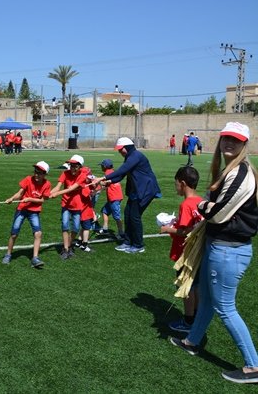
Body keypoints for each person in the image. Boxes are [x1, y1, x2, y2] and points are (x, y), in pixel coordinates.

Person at [169, 122, 258, 384]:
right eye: (226, 138)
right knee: (206, 298)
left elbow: (217, 214)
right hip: (220, 246)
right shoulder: (231, 169)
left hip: (229, 250)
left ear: (245, 144)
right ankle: (191, 341)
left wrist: (204, 205)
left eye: (236, 140)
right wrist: (207, 206)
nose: (229, 143)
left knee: (225, 308)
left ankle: (253, 365)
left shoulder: (241, 173)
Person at [92, 137, 161, 254]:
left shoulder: (135, 156)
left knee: (134, 216)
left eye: (121, 149)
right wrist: (109, 181)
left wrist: (103, 178)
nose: (120, 152)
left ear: (128, 147)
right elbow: (120, 176)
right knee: (128, 214)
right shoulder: (130, 157)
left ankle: (138, 245)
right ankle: (128, 242)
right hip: (137, 191)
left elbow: (122, 170)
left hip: (146, 191)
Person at [160, 166, 203, 333]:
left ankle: (188, 321)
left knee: (186, 288)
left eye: (176, 183)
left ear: (183, 183)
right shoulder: (199, 201)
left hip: (185, 253)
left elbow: (184, 231)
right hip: (196, 253)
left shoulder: (185, 204)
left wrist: (167, 229)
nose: (175, 186)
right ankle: (197, 317)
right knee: (196, 285)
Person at [2, 161, 51, 268]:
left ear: (45, 174)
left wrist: (29, 199)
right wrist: (11, 198)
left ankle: (35, 258)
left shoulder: (47, 184)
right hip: (22, 209)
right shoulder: (28, 179)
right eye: (36, 172)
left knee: (38, 234)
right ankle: (8, 254)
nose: (37, 174)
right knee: (14, 233)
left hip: (34, 211)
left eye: (40, 173)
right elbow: (19, 193)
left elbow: (42, 200)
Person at [49, 155, 88, 259]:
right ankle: (66, 249)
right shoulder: (65, 173)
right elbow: (58, 187)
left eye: (75, 166)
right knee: (65, 226)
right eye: (71, 165)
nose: (72, 168)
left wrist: (57, 194)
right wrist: (47, 194)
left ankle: (69, 245)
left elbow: (71, 189)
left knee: (75, 227)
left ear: (80, 167)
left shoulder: (83, 176)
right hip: (65, 204)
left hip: (77, 205)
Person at [98, 159, 124, 239]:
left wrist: (97, 182)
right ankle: (105, 228)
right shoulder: (112, 171)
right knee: (104, 211)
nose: (101, 167)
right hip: (113, 197)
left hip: (114, 197)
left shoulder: (107, 173)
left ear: (105, 166)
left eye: (102, 165)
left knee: (117, 216)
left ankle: (121, 233)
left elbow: (104, 184)